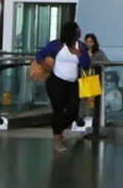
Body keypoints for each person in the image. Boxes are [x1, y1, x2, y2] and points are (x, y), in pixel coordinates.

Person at [34, 21, 92, 153]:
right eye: (77, 29)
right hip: (56, 82)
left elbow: (87, 65)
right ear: (72, 32)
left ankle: (58, 130)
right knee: (58, 110)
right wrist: (46, 66)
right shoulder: (57, 44)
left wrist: (80, 55)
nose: (80, 31)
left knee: (73, 111)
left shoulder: (81, 46)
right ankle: (58, 139)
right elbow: (40, 55)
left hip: (73, 83)